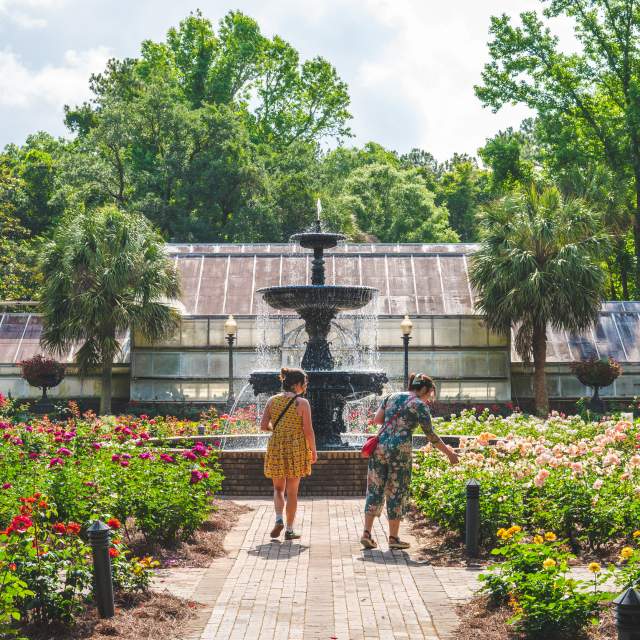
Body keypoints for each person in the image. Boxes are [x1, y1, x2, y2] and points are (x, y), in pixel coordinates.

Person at [361, 373, 459, 550]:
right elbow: (431, 436)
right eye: (430, 393)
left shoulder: (391, 397)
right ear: (423, 389)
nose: (430, 398)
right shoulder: (419, 405)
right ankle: (393, 538)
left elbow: (377, 420)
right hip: (400, 451)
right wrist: (449, 454)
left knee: (375, 488)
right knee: (396, 491)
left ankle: (366, 533)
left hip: (380, 448)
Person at [261, 367, 318, 540]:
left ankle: (278, 519)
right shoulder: (302, 403)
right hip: (296, 447)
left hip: (276, 445)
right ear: (297, 384)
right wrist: (313, 451)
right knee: (292, 492)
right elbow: (308, 430)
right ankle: (290, 529)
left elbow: (263, 426)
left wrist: (278, 429)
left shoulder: (272, 400)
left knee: (278, 488)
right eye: (304, 382)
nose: (306, 385)